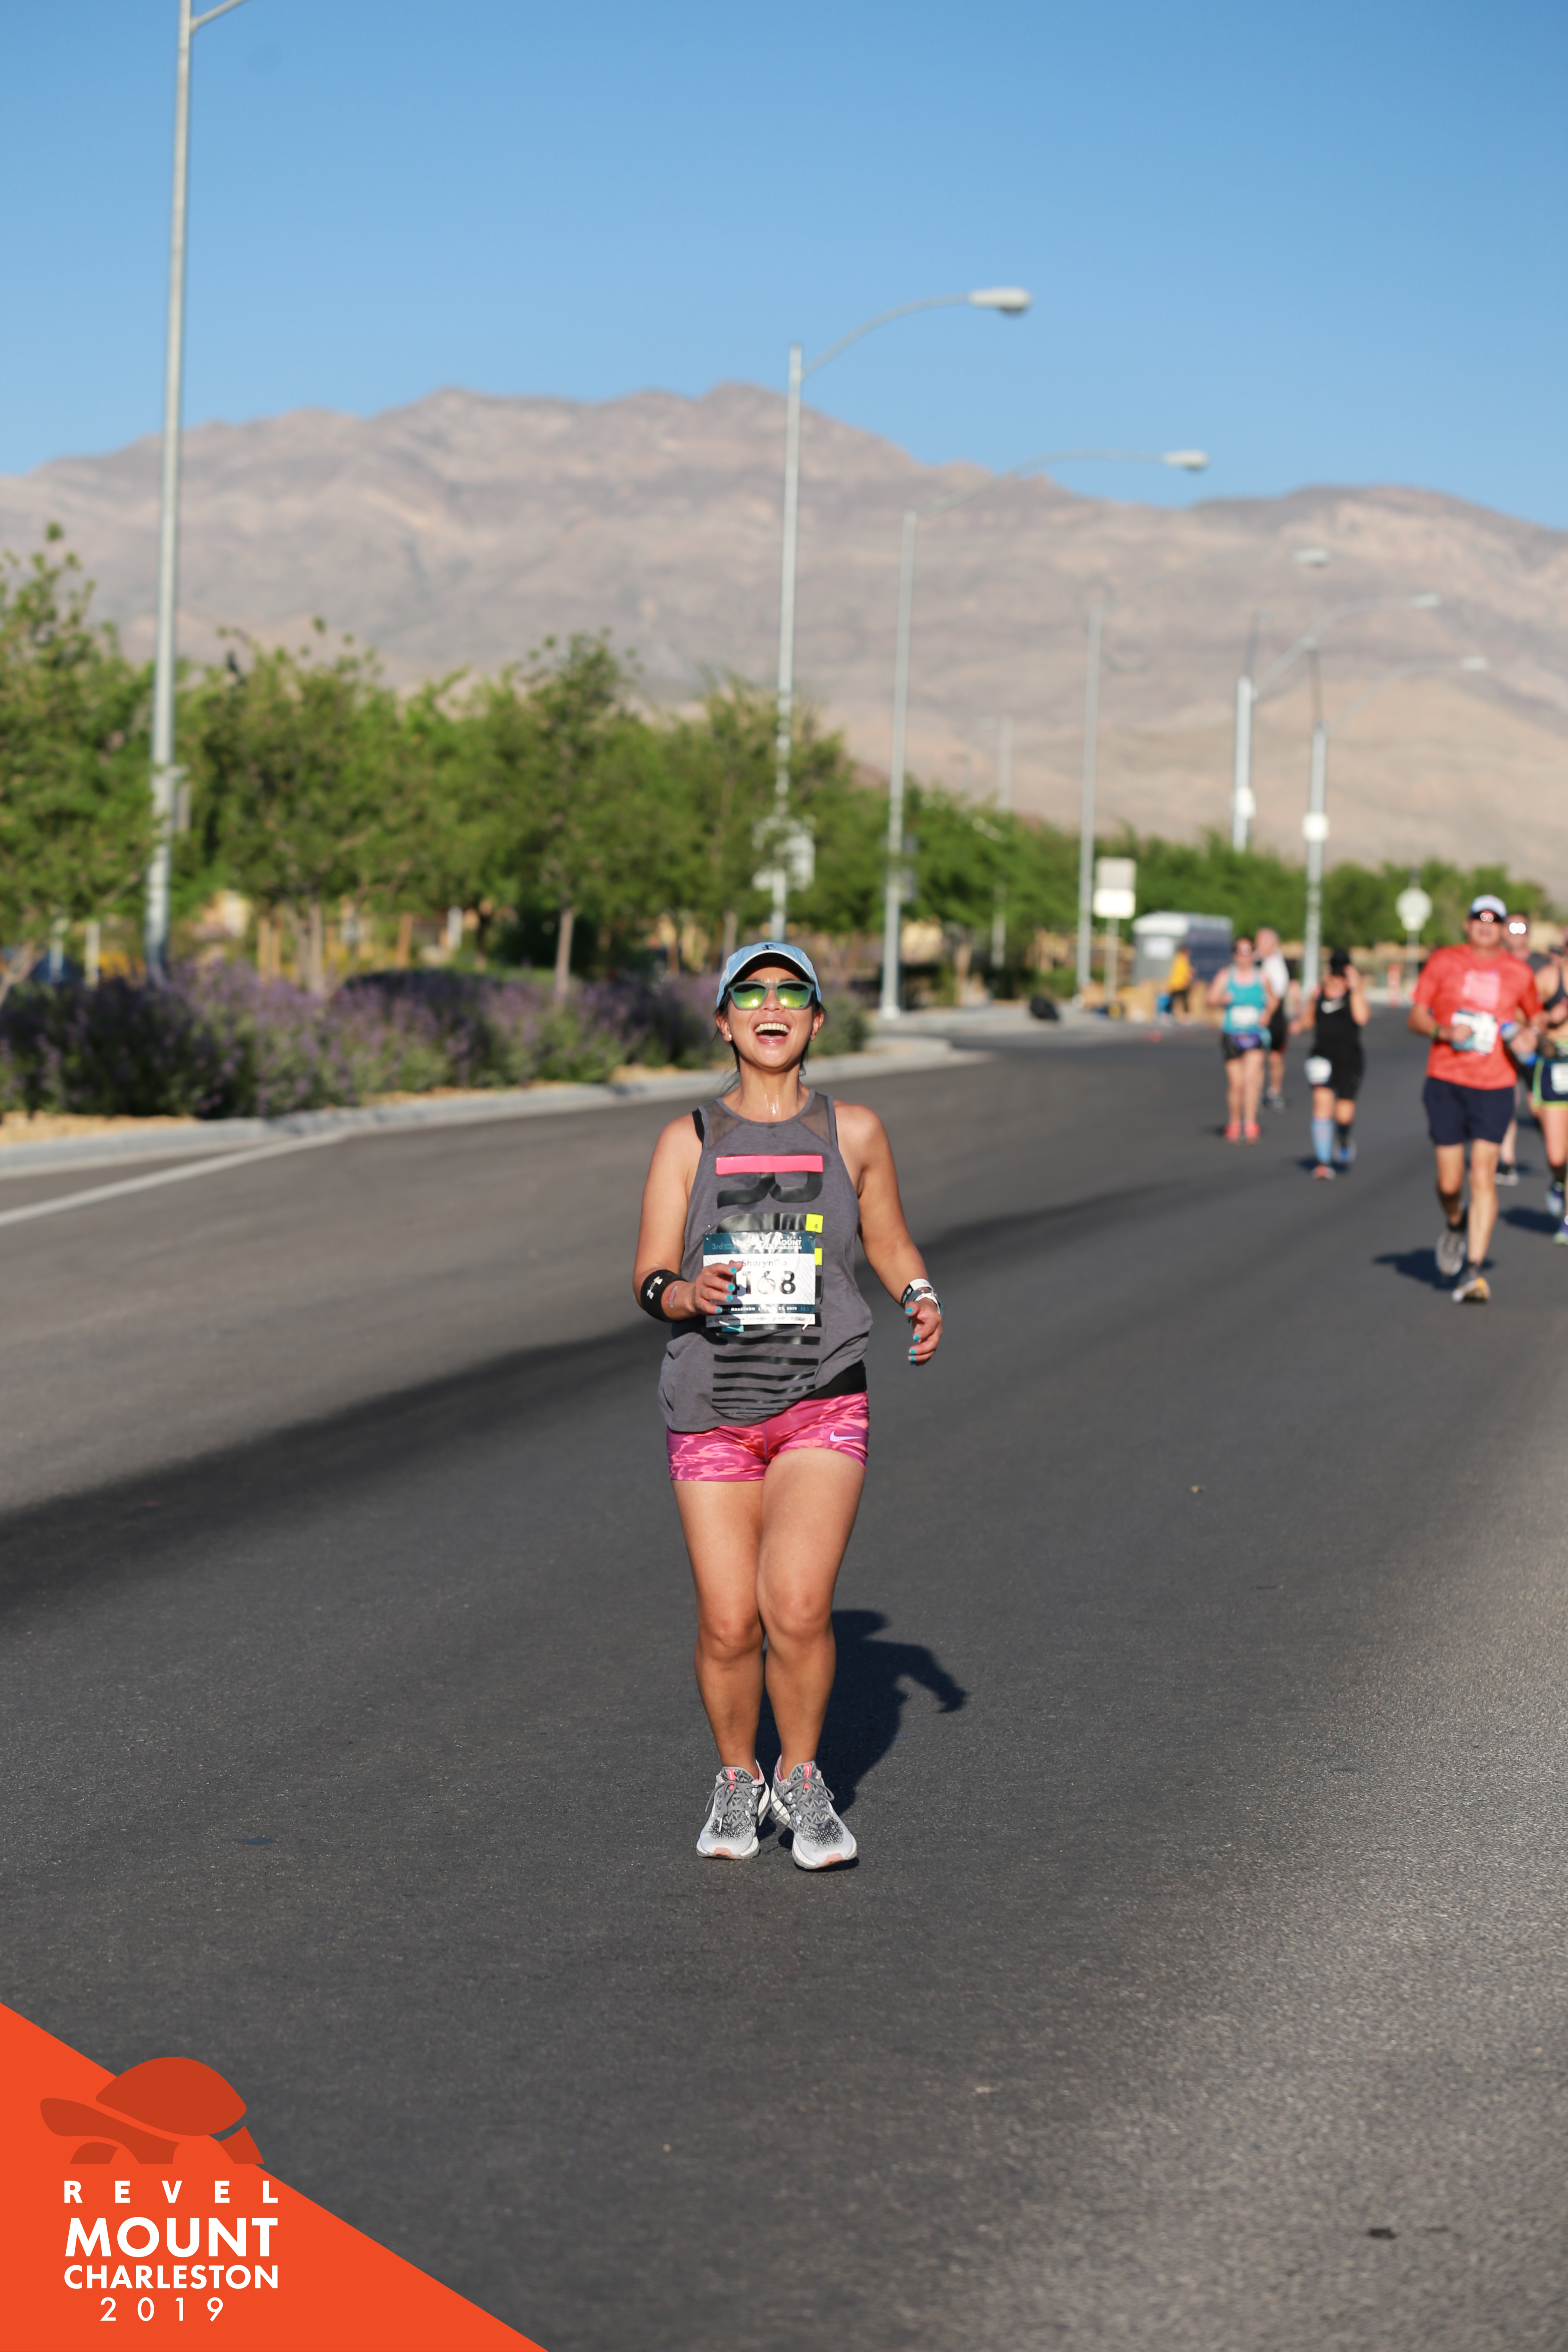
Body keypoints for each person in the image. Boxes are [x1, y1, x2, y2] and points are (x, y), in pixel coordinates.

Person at [632, 940, 943, 1869]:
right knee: (731, 1622)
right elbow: (648, 1275)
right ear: (724, 1021)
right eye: (751, 993)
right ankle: (738, 1779)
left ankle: (802, 1779)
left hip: (822, 1398)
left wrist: (919, 1294)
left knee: (798, 1608)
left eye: (790, 992)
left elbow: (888, 1239)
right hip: (712, 1406)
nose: (771, 1007)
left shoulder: (854, 1132)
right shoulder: (688, 1139)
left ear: (815, 1019)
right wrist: (684, 1295)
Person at [1409, 894, 1542, 1302]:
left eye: (1494, 920)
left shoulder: (1519, 972)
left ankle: (1473, 1271)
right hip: (1446, 1080)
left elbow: (1535, 1015)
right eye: (1479, 919)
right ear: (1467, 925)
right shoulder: (1443, 962)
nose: (1486, 926)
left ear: (1503, 929)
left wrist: (1531, 1034)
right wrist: (1444, 1031)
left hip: (1496, 1084)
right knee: (1450, 1183)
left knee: (1482, 1174)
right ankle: (1455, 1222)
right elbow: (1416, 1015)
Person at [1292, 947, 1368, 1178]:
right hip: (1322, 1056)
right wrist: (1309, 1003)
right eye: (1334, 971)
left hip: (1349, 1059)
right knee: (1321, 1104)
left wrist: (1356, 989)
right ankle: (1323, 1162)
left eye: (1341, 973)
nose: (1337, 977)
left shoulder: (1353, 993)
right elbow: (1307, 1022)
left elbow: (1361, 1018)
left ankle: (1343, 1136)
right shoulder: (1319, 993)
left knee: (1344, 1114)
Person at [1207, 934, 1278, 1142]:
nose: (1244, 957)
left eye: (1248, 952)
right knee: (1236, 1084)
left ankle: (1250, 1123)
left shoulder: (1261, 976)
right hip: (1232, 1033)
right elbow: (1210, 999)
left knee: (1250, 1080)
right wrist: (1222, 1000)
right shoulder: (1226, 976)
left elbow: (1274, 999)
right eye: (1240, 952)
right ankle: (1234, 1123)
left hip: (1255, 1033)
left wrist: (1267, 1015)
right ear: (1234, 955)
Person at [1527, 934, 1568, 1236]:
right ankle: (1558, 1181)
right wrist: (1548, 1020)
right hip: (1555, 1067)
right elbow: (1524, 1020)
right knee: (1557, 1155)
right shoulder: (1548, 978)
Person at [1256, 927, 1295, 1110]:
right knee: (1255, 1056)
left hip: (1275, 1014)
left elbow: (1281, 993)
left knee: (1275, 1055)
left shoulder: (1281, 964)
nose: (1259, 944)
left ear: (1274, 943)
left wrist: (1269, 1015)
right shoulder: (1254, 961)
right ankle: (1255, 1093)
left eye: (1263, 941)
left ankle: (1275, 1091)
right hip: (1256, 1011)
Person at [1165, 940, 1193, 1020]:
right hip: (1179, 983)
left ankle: (1168, 1014)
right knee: (1179, 999)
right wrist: (1189, 976)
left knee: (1176, 999)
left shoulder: (1178, 958)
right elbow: (1184, 971)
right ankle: (1185, 1015)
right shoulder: (1182, 959)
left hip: (1176, 983)